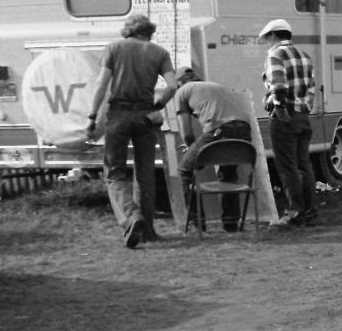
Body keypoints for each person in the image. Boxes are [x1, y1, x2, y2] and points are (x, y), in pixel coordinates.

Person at [84, 13, 179, 248]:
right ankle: (147, 230)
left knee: (114, 172)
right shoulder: (160, 53)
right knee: (145, 173)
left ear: (128, 30)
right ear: (150, 31)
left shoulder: (114, 48)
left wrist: (93, 116)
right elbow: (173, 85)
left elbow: (102, 84)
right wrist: (158, 106)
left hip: (118, 115)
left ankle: (130, 216)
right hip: (146, 115)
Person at [170, 66, 255, 232]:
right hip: (244, 132)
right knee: (228, 174)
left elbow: (186, 132)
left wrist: (190, 148)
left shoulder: (182, 92)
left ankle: (197, 224)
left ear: (179, 82)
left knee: (184, 171)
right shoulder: (214, 86)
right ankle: (231, 223)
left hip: (219, 130)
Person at [259, 18, 317, 227]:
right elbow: (311, 88)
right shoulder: (305, 56)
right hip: (303, 115)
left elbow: (278, 85)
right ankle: (310, 210)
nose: (266, 42)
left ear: (274, 35)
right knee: (304, 164)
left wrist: (279, 107)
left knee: (287, 166)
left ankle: (294, 211)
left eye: (267, 38)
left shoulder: (276, 55)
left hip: (285, 115)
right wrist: (305, 107)